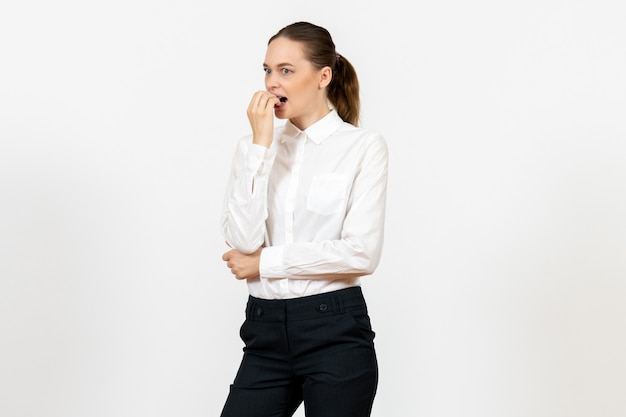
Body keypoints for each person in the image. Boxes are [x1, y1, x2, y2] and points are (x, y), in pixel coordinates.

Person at [219, 21, 388, 417]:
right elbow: (242, 242)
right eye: (267, 70)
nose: (272, 82)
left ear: (323, 76)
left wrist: (265, 262)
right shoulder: (252, 147)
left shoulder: (362, 147)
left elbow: (361, 253)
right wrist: (261, 145)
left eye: (286, 70)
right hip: (264, 332)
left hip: (335, 331)